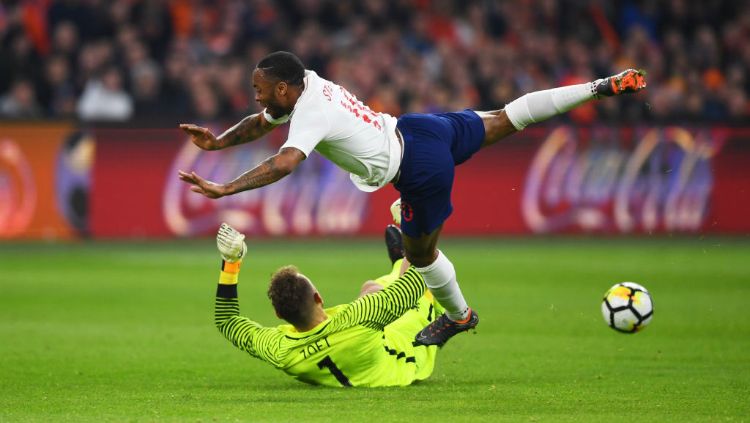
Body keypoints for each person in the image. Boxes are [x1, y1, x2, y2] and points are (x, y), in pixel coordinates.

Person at [180, 51, 647, 346]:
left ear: (284, 88)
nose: (257, 98)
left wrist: (225, 188)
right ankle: (601, 86)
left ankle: (460, 316)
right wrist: (219, 142)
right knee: (509, 117)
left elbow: (284, 162)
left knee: (422, 258)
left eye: (261, 90)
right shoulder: (309, 83)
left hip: (418, 172)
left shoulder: (310, 113)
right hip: (419, 128)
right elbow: (263, 122)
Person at [212, 222, 441, 387]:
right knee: (422, 292)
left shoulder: (280, 350)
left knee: (370, 289)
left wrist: (231, 262)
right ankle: (402, 261)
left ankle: (397, 262)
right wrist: (415, 225)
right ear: (318, 297)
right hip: (405, 357)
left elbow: (227, 321)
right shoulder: (361, 317)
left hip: (360, 346)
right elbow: (419, 273)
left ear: (279, 315)